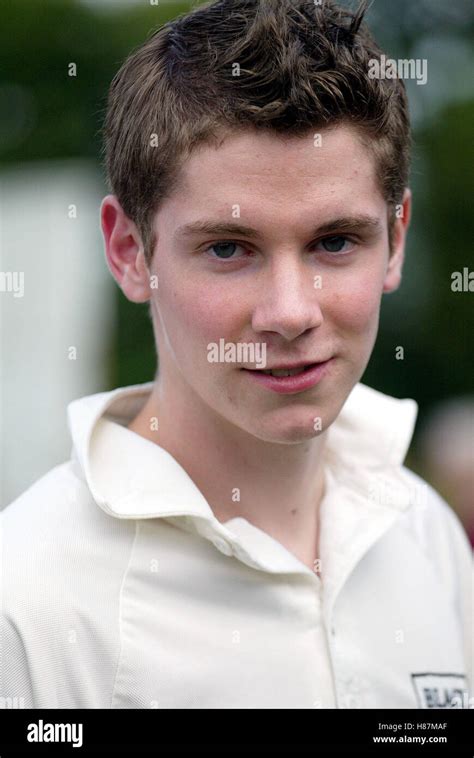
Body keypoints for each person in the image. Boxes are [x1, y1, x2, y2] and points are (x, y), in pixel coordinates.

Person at [1, 0, 472, 710]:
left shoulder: (425, 533)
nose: (290, 312)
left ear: (396, 239)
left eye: (335, 242)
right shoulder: (26, 599)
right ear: (130, 252)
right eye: (228, 248)